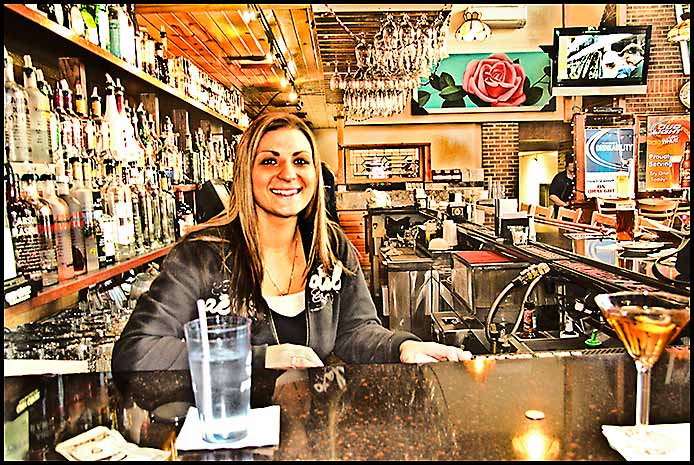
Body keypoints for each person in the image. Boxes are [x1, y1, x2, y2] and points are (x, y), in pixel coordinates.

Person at [111, 112, 470, 372]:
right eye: (269, 161)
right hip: (232, 432)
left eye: (301, 161)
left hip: (315, 434)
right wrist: (259, 358)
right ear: (245, 174)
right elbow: (138, 351)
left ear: (315, 172)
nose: (288, 173)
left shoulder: (330, 247)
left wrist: (403, 346)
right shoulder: (201, 255)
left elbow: (355, 331)